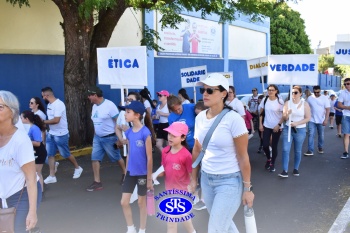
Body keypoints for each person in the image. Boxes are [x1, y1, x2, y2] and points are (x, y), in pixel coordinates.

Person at [189, 73, 254, 232]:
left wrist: (247, 189)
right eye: (204, 90)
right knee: (224, 224)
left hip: (229, 181)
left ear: (223, 94)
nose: (204, 94)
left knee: (216, 228)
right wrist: (193, 179)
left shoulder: (234, 119)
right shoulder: (200, 118)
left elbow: (243, 156)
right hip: (206, 179)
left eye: (210, 90)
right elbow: (197, 149)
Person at [0, 90, 41, 232]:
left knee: (18, 230)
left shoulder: (20, 141)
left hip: (20, 195)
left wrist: (32, 212)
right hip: (2, 195)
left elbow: (31, 179)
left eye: (0, 107)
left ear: (12, 112)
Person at [120, 101, 154, 233]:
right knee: (124, 202)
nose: (125, 114)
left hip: (143, 174)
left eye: (128, 112)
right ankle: (130, 228)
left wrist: (149, 179)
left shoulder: (145, 133)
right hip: (130, 172)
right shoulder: (128, 133)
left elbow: (150, 158)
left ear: (137, 115)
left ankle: (142, 229)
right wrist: (126, 172)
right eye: (125, 112)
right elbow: (129, 154)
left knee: (141, 203)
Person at [156, 122, 196, 233]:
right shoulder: (165, 151)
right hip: (169, 191)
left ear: (183, 138)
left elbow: (191, 174)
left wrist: (193, 187)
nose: (170, 137)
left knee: (181, 218)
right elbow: (164, 169)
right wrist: (155, 175)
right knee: (174, 221)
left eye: (174, 135)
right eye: (169, 134)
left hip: (182, 192)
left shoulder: (186, 155)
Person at [86, 86, 126, 191]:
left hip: (110, 137)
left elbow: (118, 121)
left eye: (89, 95)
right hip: (97, 138)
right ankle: (97, 182)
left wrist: (119, 138)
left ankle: (125, 174)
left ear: (95, 95)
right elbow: (95, 122)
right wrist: (95, 135)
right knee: (95, 158)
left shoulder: (109, 105)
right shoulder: (94, 106)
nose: (88, 97)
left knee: (116, 157)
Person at [41, 87, 83, 184]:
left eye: (43, 95)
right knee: (50, 154)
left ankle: (78, 168)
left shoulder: (59, 104)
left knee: (65, 154)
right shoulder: (49, 105)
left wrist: (43, 122)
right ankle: (52, 176)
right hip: (51, 133)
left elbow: (56, 120)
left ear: (47, 95)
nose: (42, 97)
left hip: (61, 134)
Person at [278, 86, 311, 178]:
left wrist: (297, 123)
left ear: (300, 93)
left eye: (295, 92)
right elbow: (284, 118)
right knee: (285, 149)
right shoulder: (287, 103)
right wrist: (287, 114)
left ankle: (296, 168)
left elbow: (308, 118)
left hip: (300, 129)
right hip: (288, 128)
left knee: (297, 150)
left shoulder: (305, 104)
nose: (293, 94)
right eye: (292, 92)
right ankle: (285, 170)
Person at [21, 110, 47, 193]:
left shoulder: (34, 128)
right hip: (34, 152)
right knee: (35, 173)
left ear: (26, 119)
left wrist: (26, 141)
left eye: (22, 118)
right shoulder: (29, 128)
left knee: (37, 173)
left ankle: (40, 192)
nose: (20, 119)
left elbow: (38, 143)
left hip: (39, 152)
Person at [259, 84, 284, 172]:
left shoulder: (279, 101)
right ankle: (269, 158)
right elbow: (261, 113)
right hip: (267, 125)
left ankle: (272, 163)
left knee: (274, 145)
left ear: (276, 91)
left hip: (276, 126)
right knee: (265, 145)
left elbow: (283, 115)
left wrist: (279, 125)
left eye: (272, 90)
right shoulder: (265, 100)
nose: (270, 91)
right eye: (269, 90)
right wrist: (260, 124)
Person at [304, 85, 330, 156]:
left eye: (318, 92)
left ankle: (320, 147)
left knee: (321, 135)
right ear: (313, 91)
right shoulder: (310, 98)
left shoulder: (324, 98)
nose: (316, 94)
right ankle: (310, 150)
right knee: (311, 134)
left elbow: (328, 109)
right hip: (312, 119)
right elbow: (306, 107)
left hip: (321, 120)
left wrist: (326, 120)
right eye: (315, 92)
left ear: (320, 91)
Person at [337, 78, 350, 159]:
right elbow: (339, 104)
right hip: (346, 115)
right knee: (346, 134)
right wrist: (347, 107)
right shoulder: (342, 93)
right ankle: (345, 152)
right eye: (345, 84)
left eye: (348, 83)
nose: (346, 85)